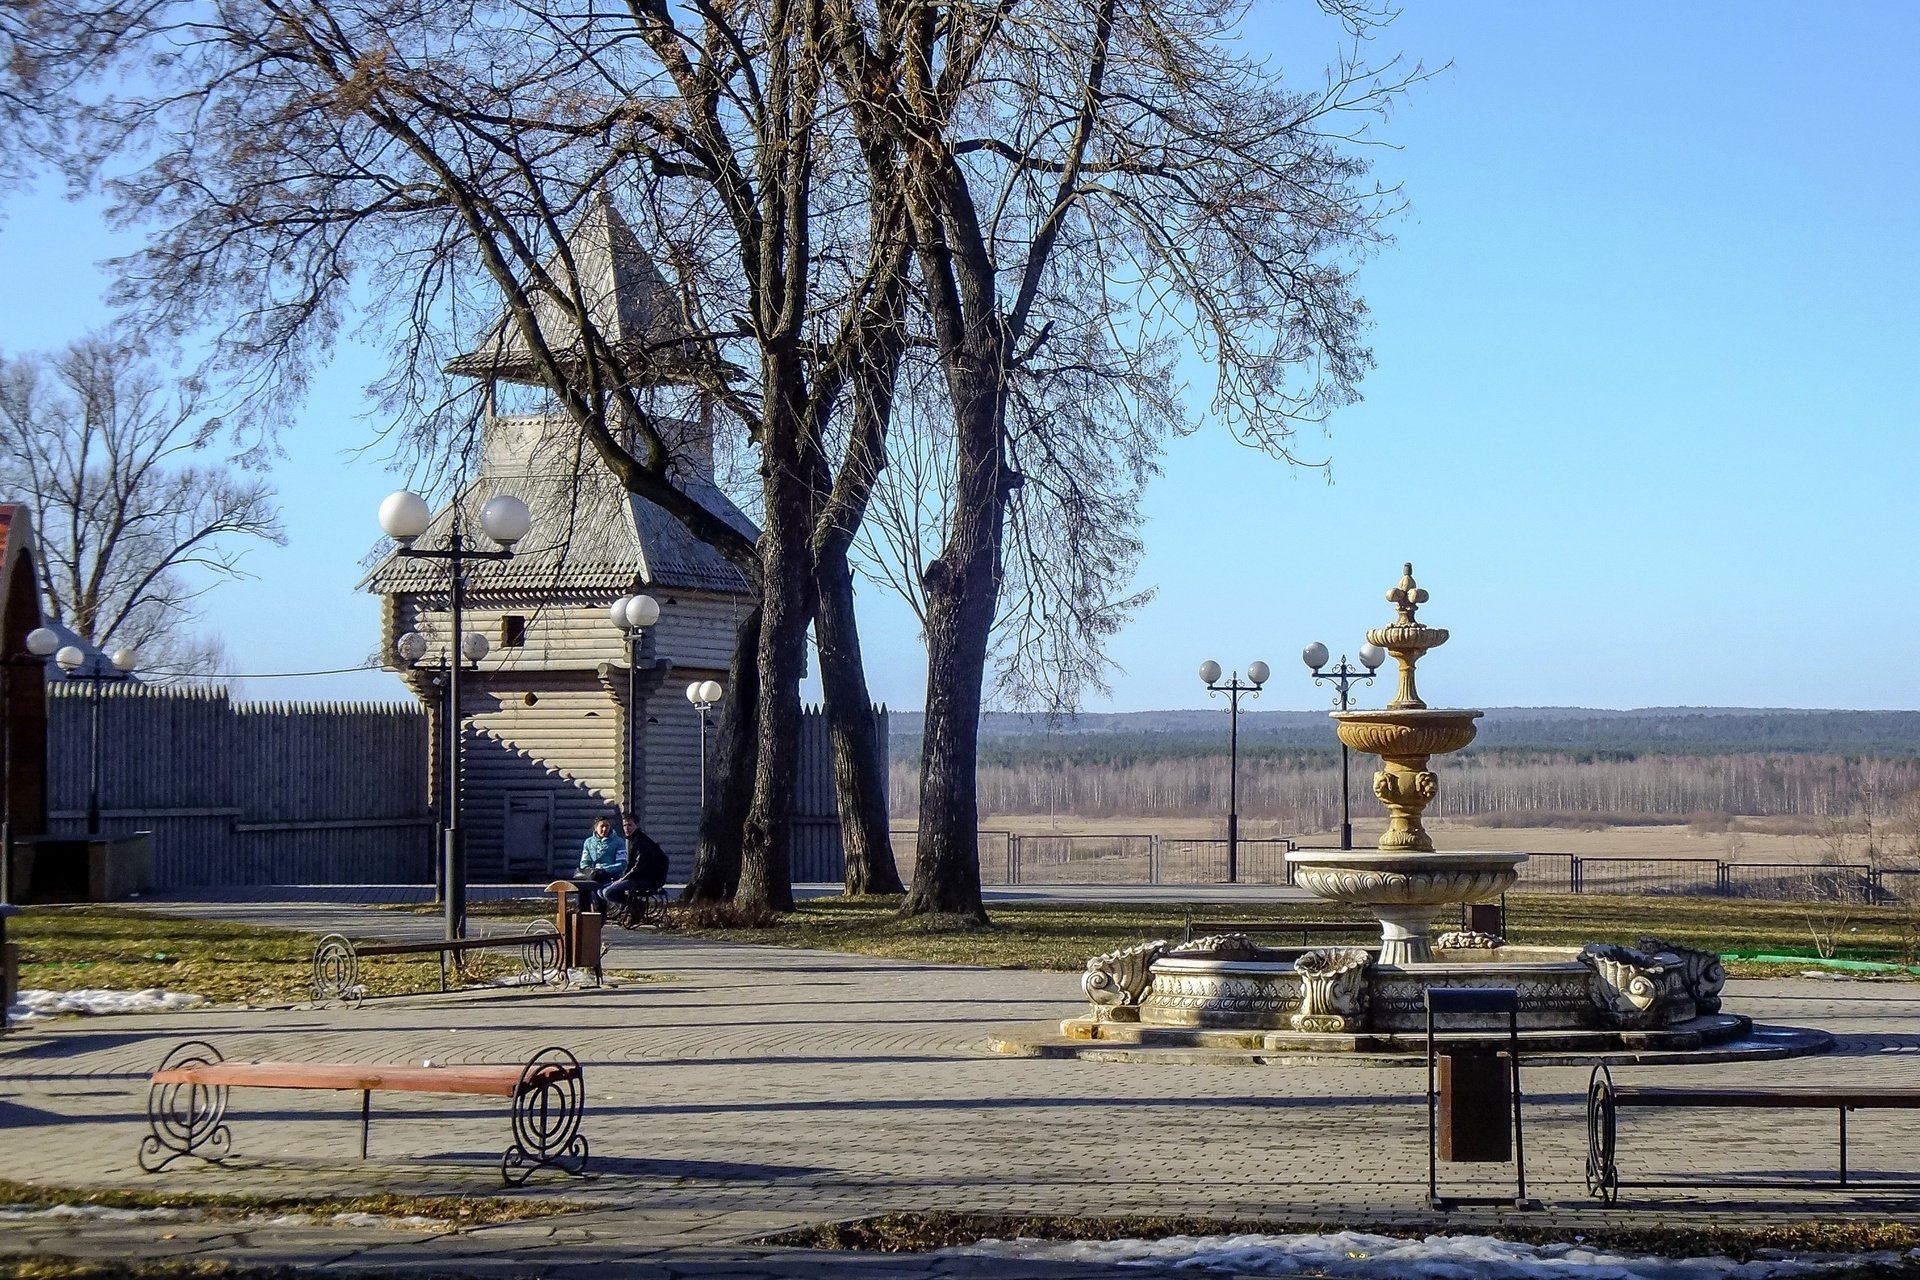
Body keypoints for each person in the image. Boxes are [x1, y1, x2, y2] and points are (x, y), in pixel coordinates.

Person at [603, 813, 670, 913]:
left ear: (637, 825)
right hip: (637, 877)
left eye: (630, 825)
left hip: (648, 879)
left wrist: (623, 879)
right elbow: (631, 865)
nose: (627, 828)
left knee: (607, 892)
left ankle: (636, 905)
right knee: (600, 890)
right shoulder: (633, 840)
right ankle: (628, 907)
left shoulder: (641, 842)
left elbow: (639, 866)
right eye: (624, 825)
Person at [572, 816, 627, 913]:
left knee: (600, 884)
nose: (605, 829)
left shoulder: (618, 841)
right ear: (595, 828)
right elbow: (584, 862)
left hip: (610, 874)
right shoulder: (589, 842)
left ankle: (601, 913)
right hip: (594, 873)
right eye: (602, 826)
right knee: (583, 885)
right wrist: (590, 870)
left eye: (607, 826)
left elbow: (621, 864)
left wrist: (604, 869)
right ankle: (583, 912)